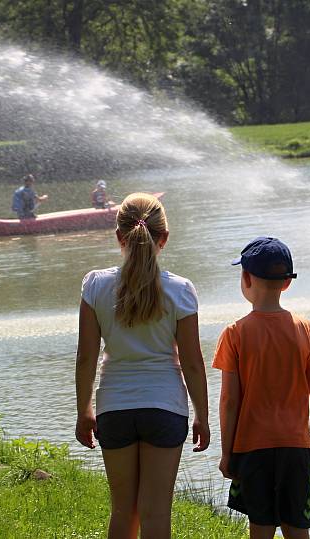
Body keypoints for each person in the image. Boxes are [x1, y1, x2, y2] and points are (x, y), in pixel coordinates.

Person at [75, 192, 210, 539]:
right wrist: (203, 417)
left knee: (123, 511)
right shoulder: (180, 290)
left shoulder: (95, 285)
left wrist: (83, 411)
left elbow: (87, 357)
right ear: (164, 238)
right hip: (165, 407)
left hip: (114, 407)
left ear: (118, 236)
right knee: (155, 513)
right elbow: (193, 363)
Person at [213, 237, 310, 539]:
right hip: (297, 447)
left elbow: (229, 401)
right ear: (287, 283)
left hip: (252, 449)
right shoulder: (306, 329)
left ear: (246, 278)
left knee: (260, 529)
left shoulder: (234, 333)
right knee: (297, 529)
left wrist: (227, 452)